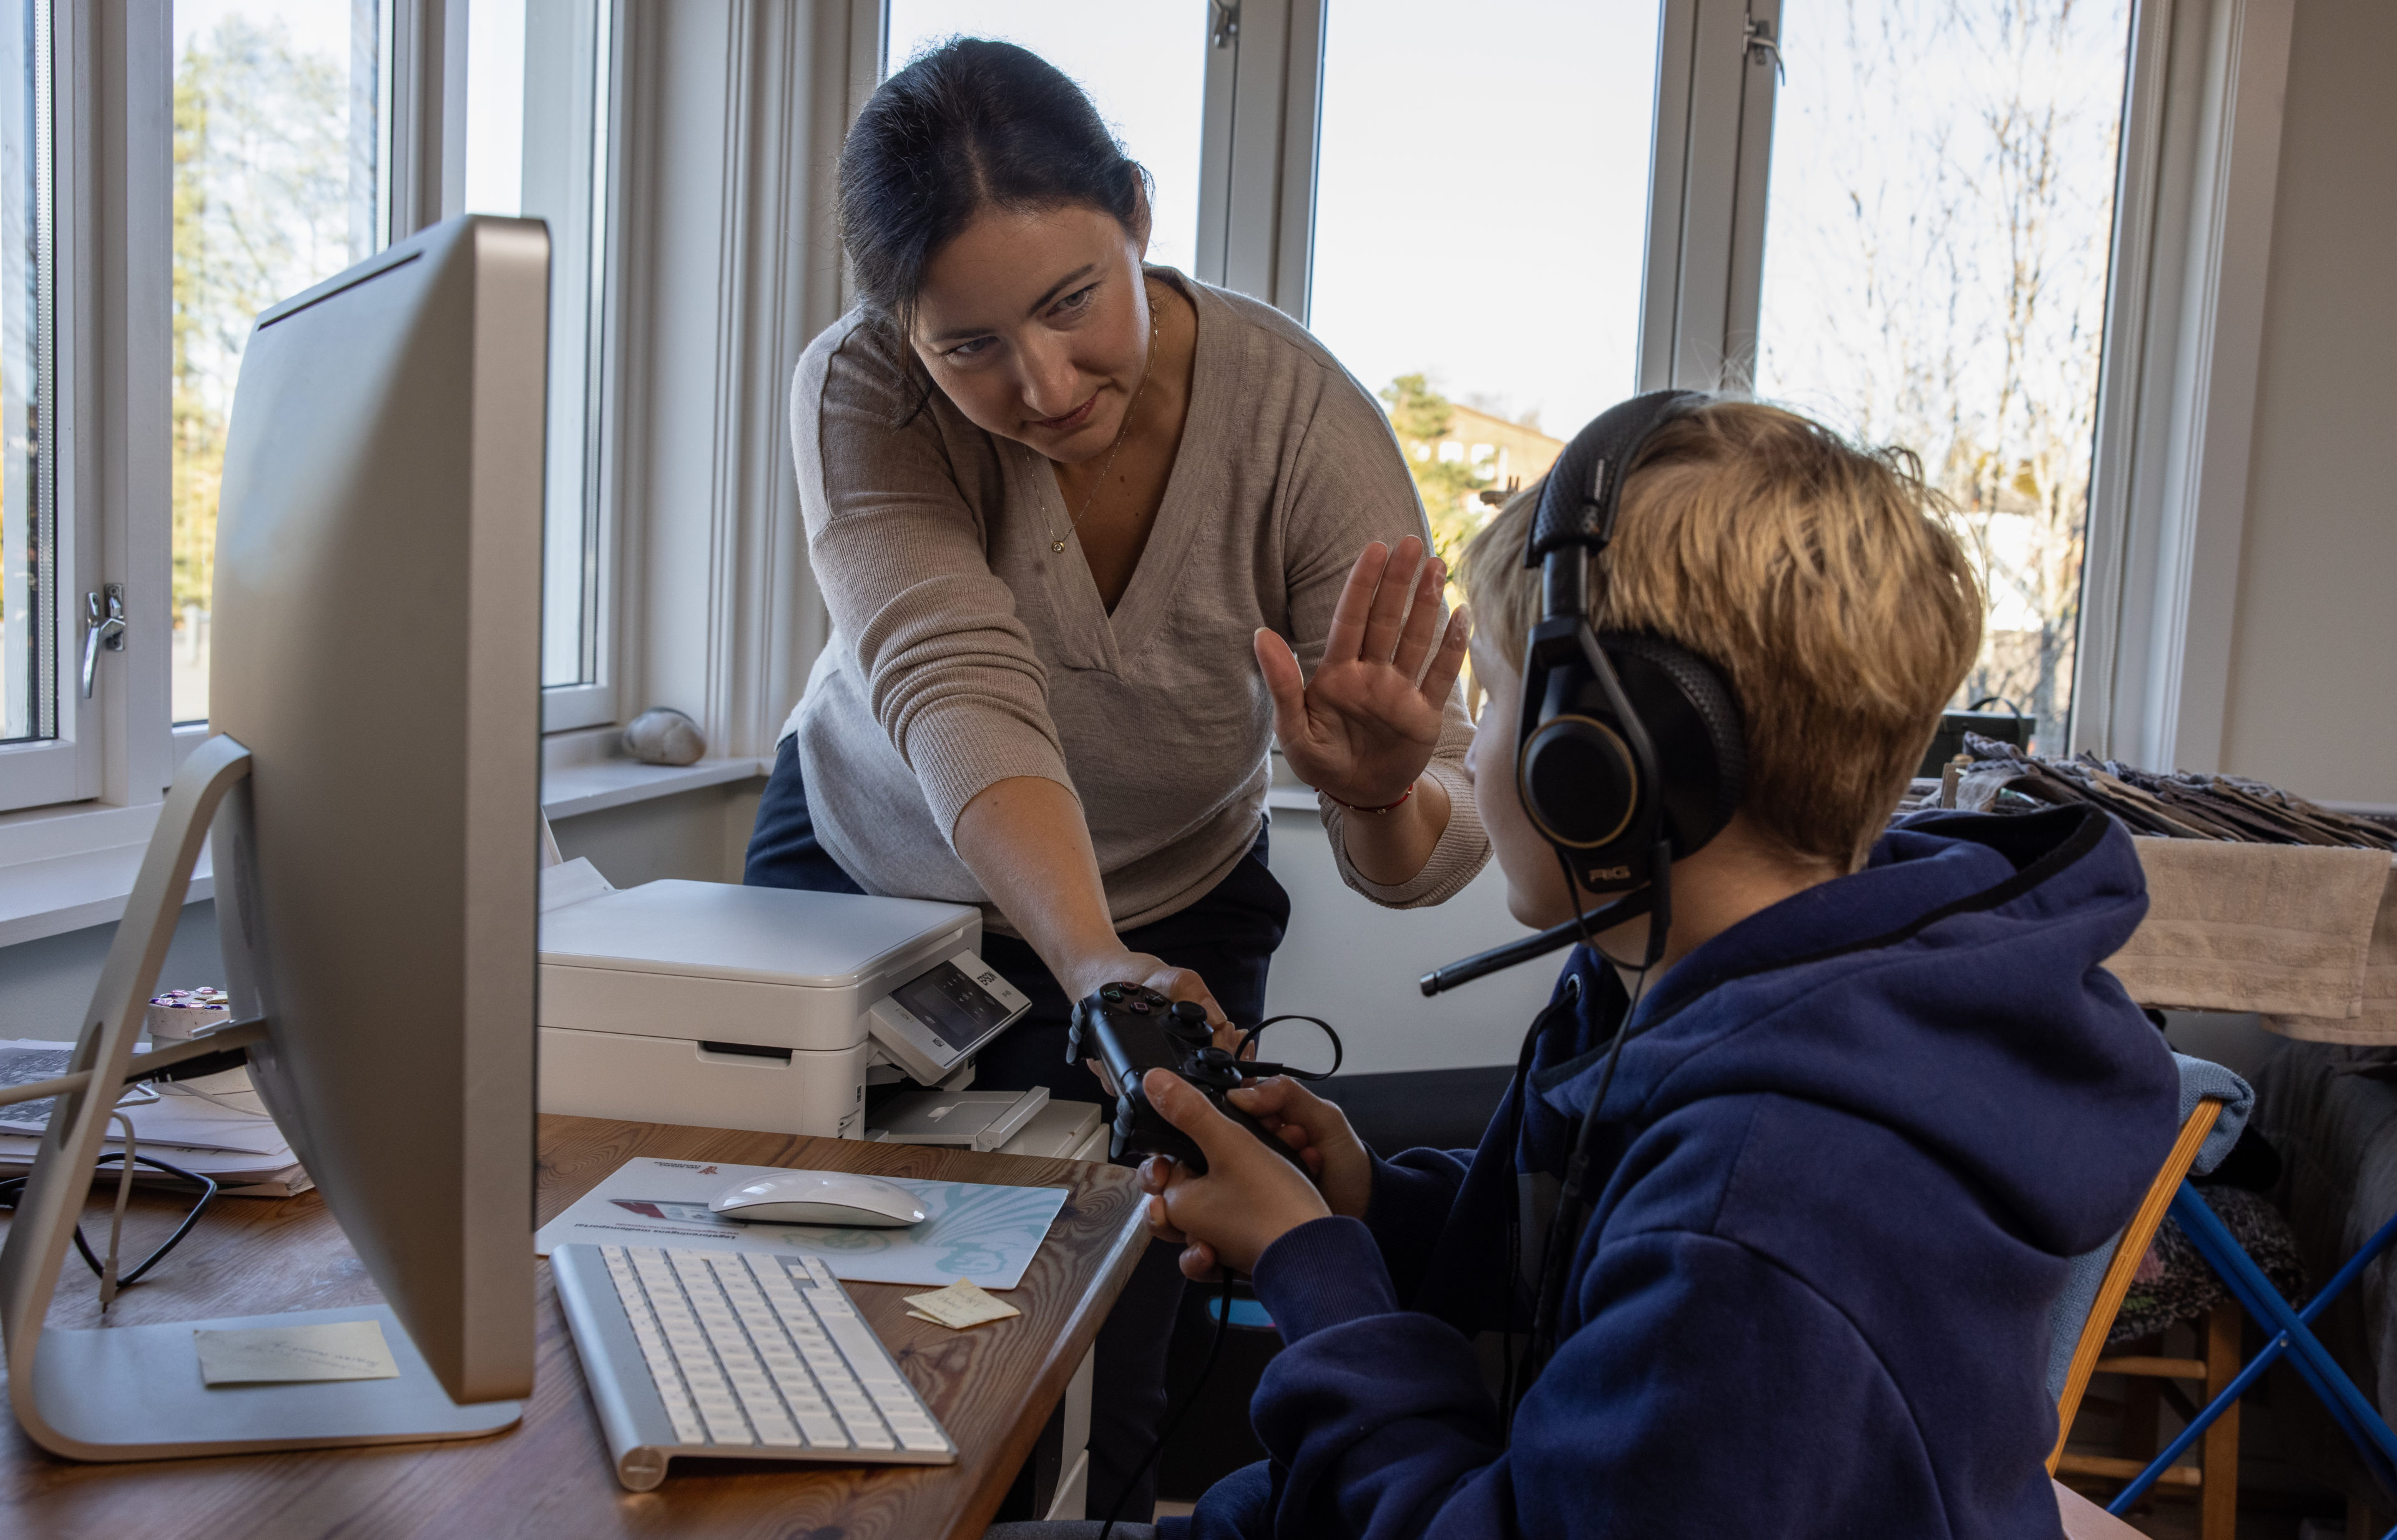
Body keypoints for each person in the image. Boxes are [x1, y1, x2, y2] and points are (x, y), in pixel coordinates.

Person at [1097, 400, 2184, 1538]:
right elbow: (1596, 1276)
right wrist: (1370, 1201)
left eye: (1498, 697)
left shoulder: (1770, 1198)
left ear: (1601, 767)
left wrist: (1313, 1268)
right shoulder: (1657, 989)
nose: (1471, 742)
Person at [743, 39, 1488, 1520]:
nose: (1041, 384)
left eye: (1074, 303)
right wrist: (1093, 965)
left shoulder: (1299, 419)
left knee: (1111, 1344)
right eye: (969, 348)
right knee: (818, 1313)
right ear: (901, 332)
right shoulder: (860, 395)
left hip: (1179, 909)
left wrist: (1381, 788)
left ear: (1136, 216)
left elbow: (1421, 855)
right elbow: (956, 686)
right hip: (869, 875)